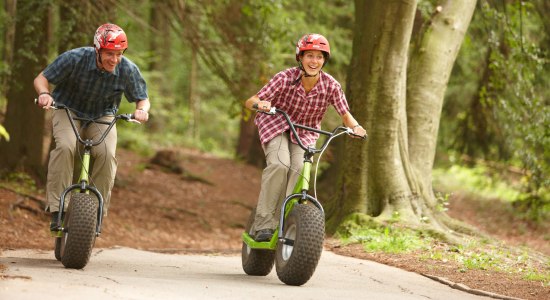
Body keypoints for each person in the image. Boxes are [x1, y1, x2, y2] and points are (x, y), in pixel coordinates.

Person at [244, 33, 367, 242]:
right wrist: (261, 104)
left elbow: (345, 114)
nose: (314, 61)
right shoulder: (284, 78)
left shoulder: (331, 86)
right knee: (280, 165)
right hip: (276, 125)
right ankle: (263, 223)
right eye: (309, 55)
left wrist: (356, 128)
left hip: (306, 132)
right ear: (300, 58)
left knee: (300, 170)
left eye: (319, 57)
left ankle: (282, 220)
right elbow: (251, 100)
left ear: (324, 60)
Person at [34, 23, 151, 230]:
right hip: (67, 109)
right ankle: (56, 209)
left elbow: (142, 99)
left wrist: (142, 110)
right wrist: (44, 94)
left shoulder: (127, 69)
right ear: (98, 49)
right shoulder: (74, 58)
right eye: (109, 54)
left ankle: (95, 212)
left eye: (119, 54)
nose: (114, 60)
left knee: (107, 154)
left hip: (102, 115)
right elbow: (42, 79)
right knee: (66, 147)